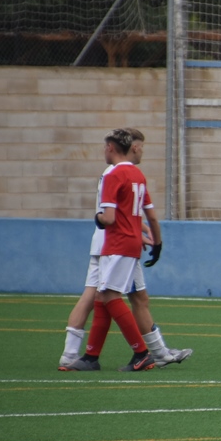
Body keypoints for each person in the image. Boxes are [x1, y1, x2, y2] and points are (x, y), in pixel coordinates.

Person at [58, 129, 192, 370]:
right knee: (106, 297)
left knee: (105, 297)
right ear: (131, 147)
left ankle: (137, 353)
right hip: (116, 244)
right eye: (139, 146)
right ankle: (92, 356)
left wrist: (101, 219)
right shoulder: (132, 174)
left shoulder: (114, 173)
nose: (140, 151)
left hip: (115, 243)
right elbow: (140, 214)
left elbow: (111, 215)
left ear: (111, 147)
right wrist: (155, 241)